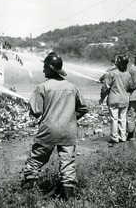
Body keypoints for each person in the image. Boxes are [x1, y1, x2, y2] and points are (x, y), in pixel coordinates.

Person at [23, 52, 89, 200]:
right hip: (68, 131)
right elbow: (83, 108)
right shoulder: (72, 87)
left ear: (51, 68)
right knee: (68, 163)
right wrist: (70, 118)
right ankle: (69, 198)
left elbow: (36, 112)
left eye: (45, 67)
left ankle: (29, 194)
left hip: (48, 130)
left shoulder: (42, 87)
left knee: (35, 160)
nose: (43, 70)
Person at [99, 55, 131, 144]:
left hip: (114, 99)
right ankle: (123, 137)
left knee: (114, 119)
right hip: (124, 99)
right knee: (123, 119)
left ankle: (114, 138)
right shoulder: (128, 74)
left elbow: (106, 87)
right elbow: (130, 87)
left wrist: (101, 98)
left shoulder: (112, 73)